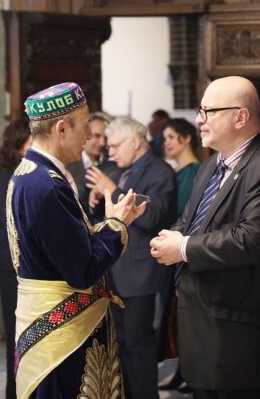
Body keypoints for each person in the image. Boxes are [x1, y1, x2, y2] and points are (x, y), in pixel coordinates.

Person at [150, 76, 260, 399]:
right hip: (211, 335)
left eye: (209, 111)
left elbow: (251, 239)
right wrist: (169, 237)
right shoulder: (211, 165)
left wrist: (183, 248)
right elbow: (189, 220)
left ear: (240, 117)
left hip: (250, 344)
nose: (199, 119)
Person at [6, 82, 146, 399]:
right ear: (61, 128)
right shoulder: (46, 185)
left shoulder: (29, 173)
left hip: (47, 325)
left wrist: (107, 225)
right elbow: (81, 270)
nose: (89, 138)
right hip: (64, 335)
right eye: (85, 128)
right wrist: (117, 225)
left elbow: (61, 247)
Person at [86, 116, 177, 399]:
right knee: (121, 345)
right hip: (114, 274)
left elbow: (152, 216)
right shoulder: (118, 169)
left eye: (114, 146)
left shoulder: (159, 171)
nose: (109, 152)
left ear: (135, 142)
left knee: (138, 347)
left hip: (140, 277)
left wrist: (112, 191)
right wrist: (98, 201)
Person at [158, 118, 200, 392]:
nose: (166, 143)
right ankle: (182, 370)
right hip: (171, 249)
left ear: (186, 138)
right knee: (175, 319)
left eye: (171, 137)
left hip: (186, 251)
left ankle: (192, 373)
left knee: (186, 317)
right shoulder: (175, 172)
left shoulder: (196, 172)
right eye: (165, 138)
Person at [0, 119, 32, 399]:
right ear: (19, 144)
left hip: (27, 266)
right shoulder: (4, 177)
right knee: (17, 341)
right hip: (13, 268)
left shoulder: (25, 172)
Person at [67, 111, 117, 210]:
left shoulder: (115, 164)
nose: (103, 143)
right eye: (97, 136)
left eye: (106, 138)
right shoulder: (68, 164)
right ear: (84, 134)